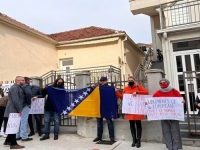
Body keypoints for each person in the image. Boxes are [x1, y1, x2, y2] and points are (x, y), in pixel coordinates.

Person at [116, 76, 149, 148]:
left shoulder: (139, 87)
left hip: (137, 110)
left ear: (134, 80)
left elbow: (146, 92)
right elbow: (123, 97)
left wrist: (137, 92)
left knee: (138, 125)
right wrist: (117, 93)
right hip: (130, 110)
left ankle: (139, 140)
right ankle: (134, 140)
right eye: (129, 80)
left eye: (131, 80)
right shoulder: (125, 88)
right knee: (131, 125)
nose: (130, 81)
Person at [152, 78, 184, 150]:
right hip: (163, 115)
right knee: (166, 131)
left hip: (174, 115)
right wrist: (148, 103)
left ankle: (176, 147)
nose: (162, 84)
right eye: (161, 83)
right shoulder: (158, 92)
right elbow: (152, 101)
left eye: (164, 82)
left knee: (175, 131)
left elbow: (180, 99)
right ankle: (170, 147)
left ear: (168, 83)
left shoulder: (174, 91)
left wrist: (183, 101)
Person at [3, 76, 25, 149]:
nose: (24, 81)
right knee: (13, 127)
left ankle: (8, 141)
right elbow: (15, 100)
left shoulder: (18, 87)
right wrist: (20, 110)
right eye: (23, 80)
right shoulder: (14, 88)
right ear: (18, 80)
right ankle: (13, 144)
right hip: (12, 110)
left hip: (13, 110)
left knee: (12, 126)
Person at [93, 77, 115, 142]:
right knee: (99, 123)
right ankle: (99, 136)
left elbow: (113, 98)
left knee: (109, 122)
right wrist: (92, 87)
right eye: (101, 81)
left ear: (106, 81)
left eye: (104, 81)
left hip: (107, 107)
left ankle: (112, 137)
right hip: (99, 107)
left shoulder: (110, 88)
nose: (102, 82)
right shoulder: (97, 88)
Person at [16, 77, 33, 141]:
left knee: (19, 121)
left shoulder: (18, 86)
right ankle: (24, 136)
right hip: (24, 104)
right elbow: (28, 94)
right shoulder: (26, 86)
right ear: (27, 81)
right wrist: (29, 103)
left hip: (18, 105)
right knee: (24, 121)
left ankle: (17, 136)